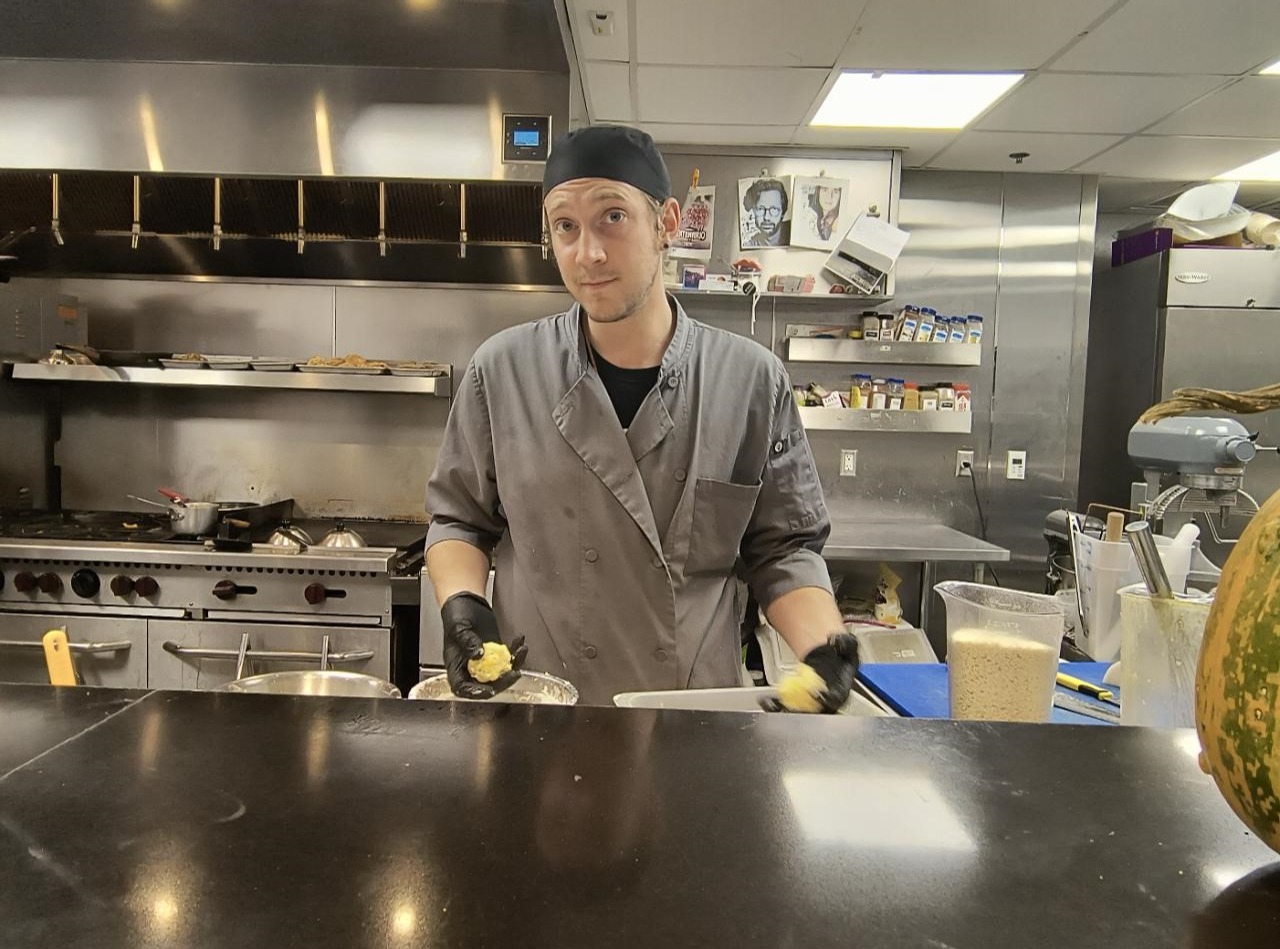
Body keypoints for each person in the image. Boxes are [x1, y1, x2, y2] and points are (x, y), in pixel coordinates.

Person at [425, 124, 857, 708]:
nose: (589, 253)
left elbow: (782, 549)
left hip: (691, 713)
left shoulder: (751, 381)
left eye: (613, 217)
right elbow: (459, 520)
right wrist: (463, 606)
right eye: (566, 227)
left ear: (667, 223)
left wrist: (822, 649)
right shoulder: (501, 371)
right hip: (544, 708)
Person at [742, 177, 789, 247]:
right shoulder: (748, 243)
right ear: (753, 211)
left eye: (774, 209)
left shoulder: (794, 235)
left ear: (783, 212)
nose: (766, 217)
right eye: (760, 209)